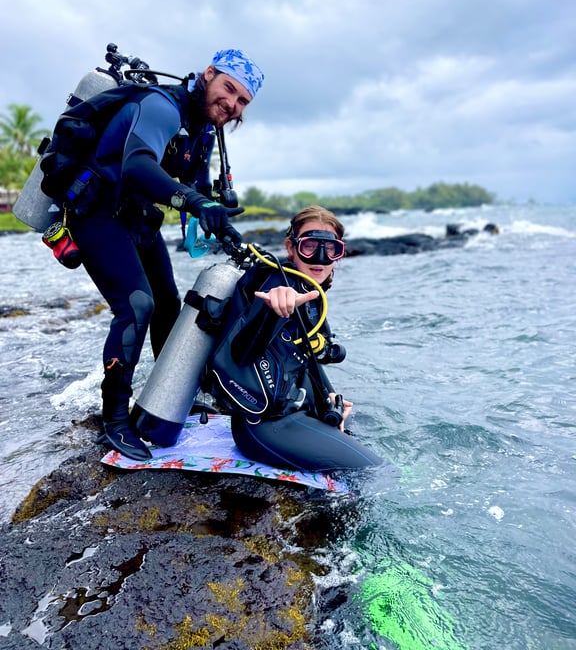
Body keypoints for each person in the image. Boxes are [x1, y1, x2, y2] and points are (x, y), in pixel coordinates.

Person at [66, 48, 264, 461]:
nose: (232, 104)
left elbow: (198, 189)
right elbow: (138, 165)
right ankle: (116, 420)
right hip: (96, 214)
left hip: (136, 218)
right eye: (228, 89)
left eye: (243, 100)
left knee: (169, 304)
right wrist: (194, 202)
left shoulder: (203, 129)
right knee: (138, 305)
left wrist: (218, 219)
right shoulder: (161, 106)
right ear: (209, 74)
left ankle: (166, 395)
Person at [206, 205, 382, 472]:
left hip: (286, 413)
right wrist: (272, 310)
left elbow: (306, 358)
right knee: (374, 470)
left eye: (331, 248)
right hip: (264, 427)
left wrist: (329, 398)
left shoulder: (308, 293)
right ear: (291, 248)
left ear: (339, 253)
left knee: (361, 430)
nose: (321, 257)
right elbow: (240, 353)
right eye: (310, 246)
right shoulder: (278, 284)